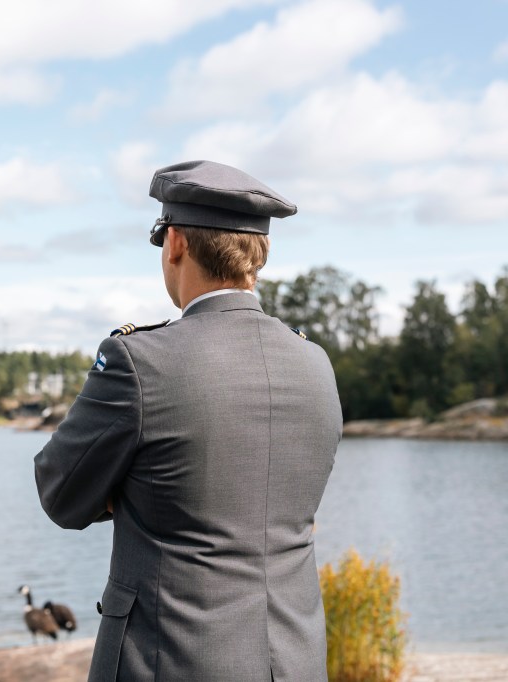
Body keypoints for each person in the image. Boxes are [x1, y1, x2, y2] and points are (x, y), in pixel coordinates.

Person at [33, 160, 342, 681]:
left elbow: (60, 494)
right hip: (294, 663)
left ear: (174, 242)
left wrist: (135, 486)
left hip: (169, 663)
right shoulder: (315, 363)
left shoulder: (140, 361)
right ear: (259, 252)